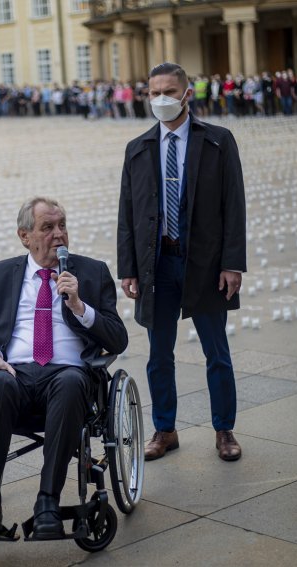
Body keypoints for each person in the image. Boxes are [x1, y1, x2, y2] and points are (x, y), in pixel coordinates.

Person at [0, 197, 128, 540]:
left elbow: (118, 338)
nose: (59, 234)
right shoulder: (0, 274)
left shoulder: (91, 272)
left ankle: (48, 501)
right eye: (48, 227)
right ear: (25, 236)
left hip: (67, 375)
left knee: (68, 382)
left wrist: (80, 306)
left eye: (62, 225)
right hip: (16, 374)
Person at [117, 62, 246, 463]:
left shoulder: (218, 142)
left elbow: (234, 206)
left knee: (217, 352)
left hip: (204, 263)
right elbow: (127, 211)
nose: (161, 99)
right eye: (155, 92)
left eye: (169, 92)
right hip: (158, 265)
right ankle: (165, 429)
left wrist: (232, 263)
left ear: (187, 94)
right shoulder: (138, 148)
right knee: (159, 354)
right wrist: (128, 267)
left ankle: (224, 429)